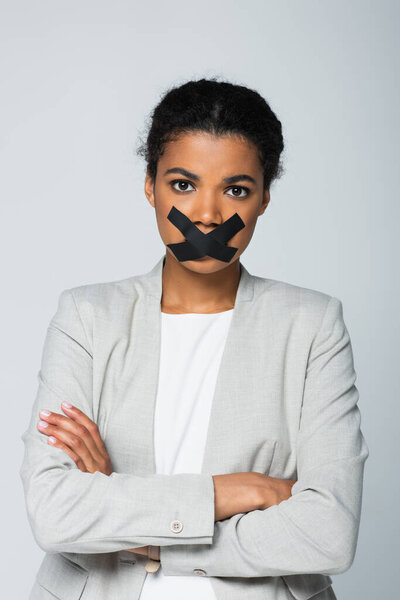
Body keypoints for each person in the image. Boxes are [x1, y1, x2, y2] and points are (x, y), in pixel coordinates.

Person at [20, 77, 369, 600]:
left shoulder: (312, 324)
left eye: (235, 189)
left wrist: (140, 524)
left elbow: (329, 532)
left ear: (265, 198)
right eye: (183, 184)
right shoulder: (86, 317)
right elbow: (53, 511)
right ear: (149, 184)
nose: (207, 214)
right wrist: (230, 492)